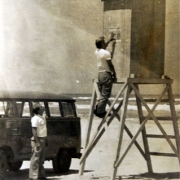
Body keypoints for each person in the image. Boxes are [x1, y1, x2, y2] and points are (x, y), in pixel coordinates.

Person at [94, 36, 116, 118]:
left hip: (100, 74)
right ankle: (100, 111)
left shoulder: (97, 51)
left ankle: (98, 109)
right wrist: (114, 74)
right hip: (106, 74)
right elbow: (110, 65)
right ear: (102, 43)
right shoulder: (106, 53)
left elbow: (103, 47)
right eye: (104, 42)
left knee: (102, 94)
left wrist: (109, 40)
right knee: (105, 94)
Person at [29, 102, 48, 180]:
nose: (43, 108)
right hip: (37, 140)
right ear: (38, 110)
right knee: (35, 159)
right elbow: (34, 131)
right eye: (41, 107)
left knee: (41, 159)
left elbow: (44, 130)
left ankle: (41, 175)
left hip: (43, 139)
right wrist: (37, 142)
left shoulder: (42, 118)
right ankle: (33, 177)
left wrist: (46, 140)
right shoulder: (35, 118)